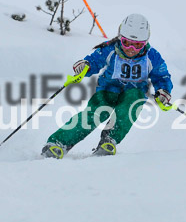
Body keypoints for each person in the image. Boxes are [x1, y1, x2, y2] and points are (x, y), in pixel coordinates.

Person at [41, 13, 173, 159]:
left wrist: (163, 91)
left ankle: (109, 140)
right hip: (108, 89)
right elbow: (94, 61)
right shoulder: (110, 49)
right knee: (95, 114)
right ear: (119, 37)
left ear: (145, 42)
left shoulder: (152, 56)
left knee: (129, 108)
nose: (131, 49)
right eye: (126, 43)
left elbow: (162, 76)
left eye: (137, 45)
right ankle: (58, 142)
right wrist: (85, 65)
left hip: (134, 92)